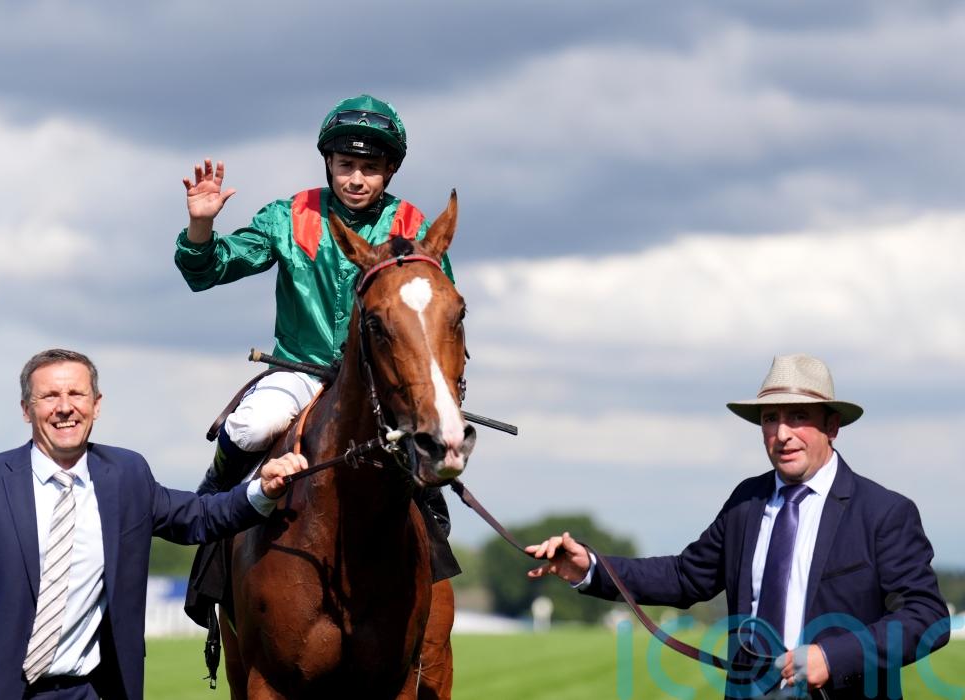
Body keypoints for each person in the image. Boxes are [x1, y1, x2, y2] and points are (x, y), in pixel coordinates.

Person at [527, 353, 949, 699]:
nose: (782, 434)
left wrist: (832, 656)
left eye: (798, 416)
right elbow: (684, 576)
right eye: (770, 418)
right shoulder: (747, 501)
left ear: (832, 426)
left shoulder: (883, 512)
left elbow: (928, 617)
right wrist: (591, 568)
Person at [0, 348, 308, 700]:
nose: (64, 407)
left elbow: (198, 517)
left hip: (89, 691)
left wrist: (261, 490)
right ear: (26, 409)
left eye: (76, 394)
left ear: (96, 404)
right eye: (49, 396)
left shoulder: (127, 475)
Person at [175, 94, 458, 577]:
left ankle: (431, 537)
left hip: (382, 384)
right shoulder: (289, 216)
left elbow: (438, 317)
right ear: (328, 163)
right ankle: (212, 502)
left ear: (390, 170)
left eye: (370, 168)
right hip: (299, 372)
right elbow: (208, 271)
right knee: (251, 427)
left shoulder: (414, 226)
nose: (355, 179)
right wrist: (201, 225)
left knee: (431, 447)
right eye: (345, 165)